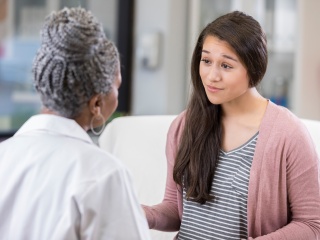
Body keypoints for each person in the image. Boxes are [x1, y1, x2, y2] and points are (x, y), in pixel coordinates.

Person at [142, 11, 320, 239]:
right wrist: (141, 213)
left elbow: (311, 224)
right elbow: (177, 210)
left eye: (226, 66)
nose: (211, 76)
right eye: (206, 61)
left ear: (253, 69)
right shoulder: (185, 125)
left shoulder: (289, 135)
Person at [0, 7, 150, 240]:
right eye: (116, 86)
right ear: (97, 103)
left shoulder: (4, 156)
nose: (117, 94)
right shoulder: (103, 174)